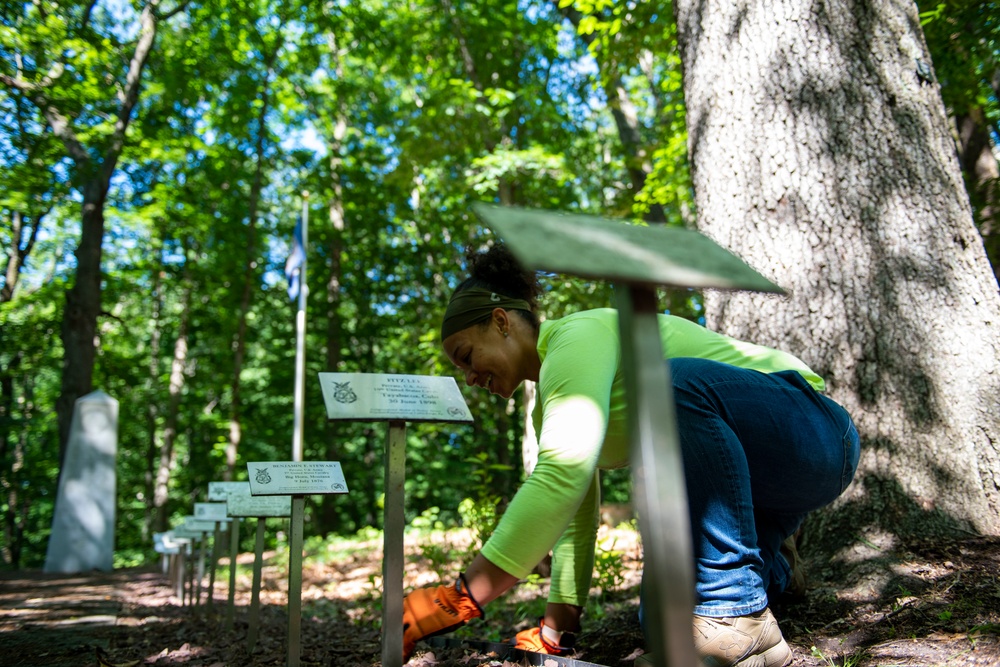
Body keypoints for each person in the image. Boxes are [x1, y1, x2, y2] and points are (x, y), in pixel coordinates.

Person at [402, 243, 860, 666]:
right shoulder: (551, 407)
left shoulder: (576, 338)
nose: (469, 377)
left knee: (668, 384)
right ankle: (771, 567)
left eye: (466, 356)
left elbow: (560, 476)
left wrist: (462, 596)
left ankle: (736, 615)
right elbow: (574, 521)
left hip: (816, 433)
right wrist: (555, 632)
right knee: (659, 620)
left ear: (501, 322)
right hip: (758, 488)